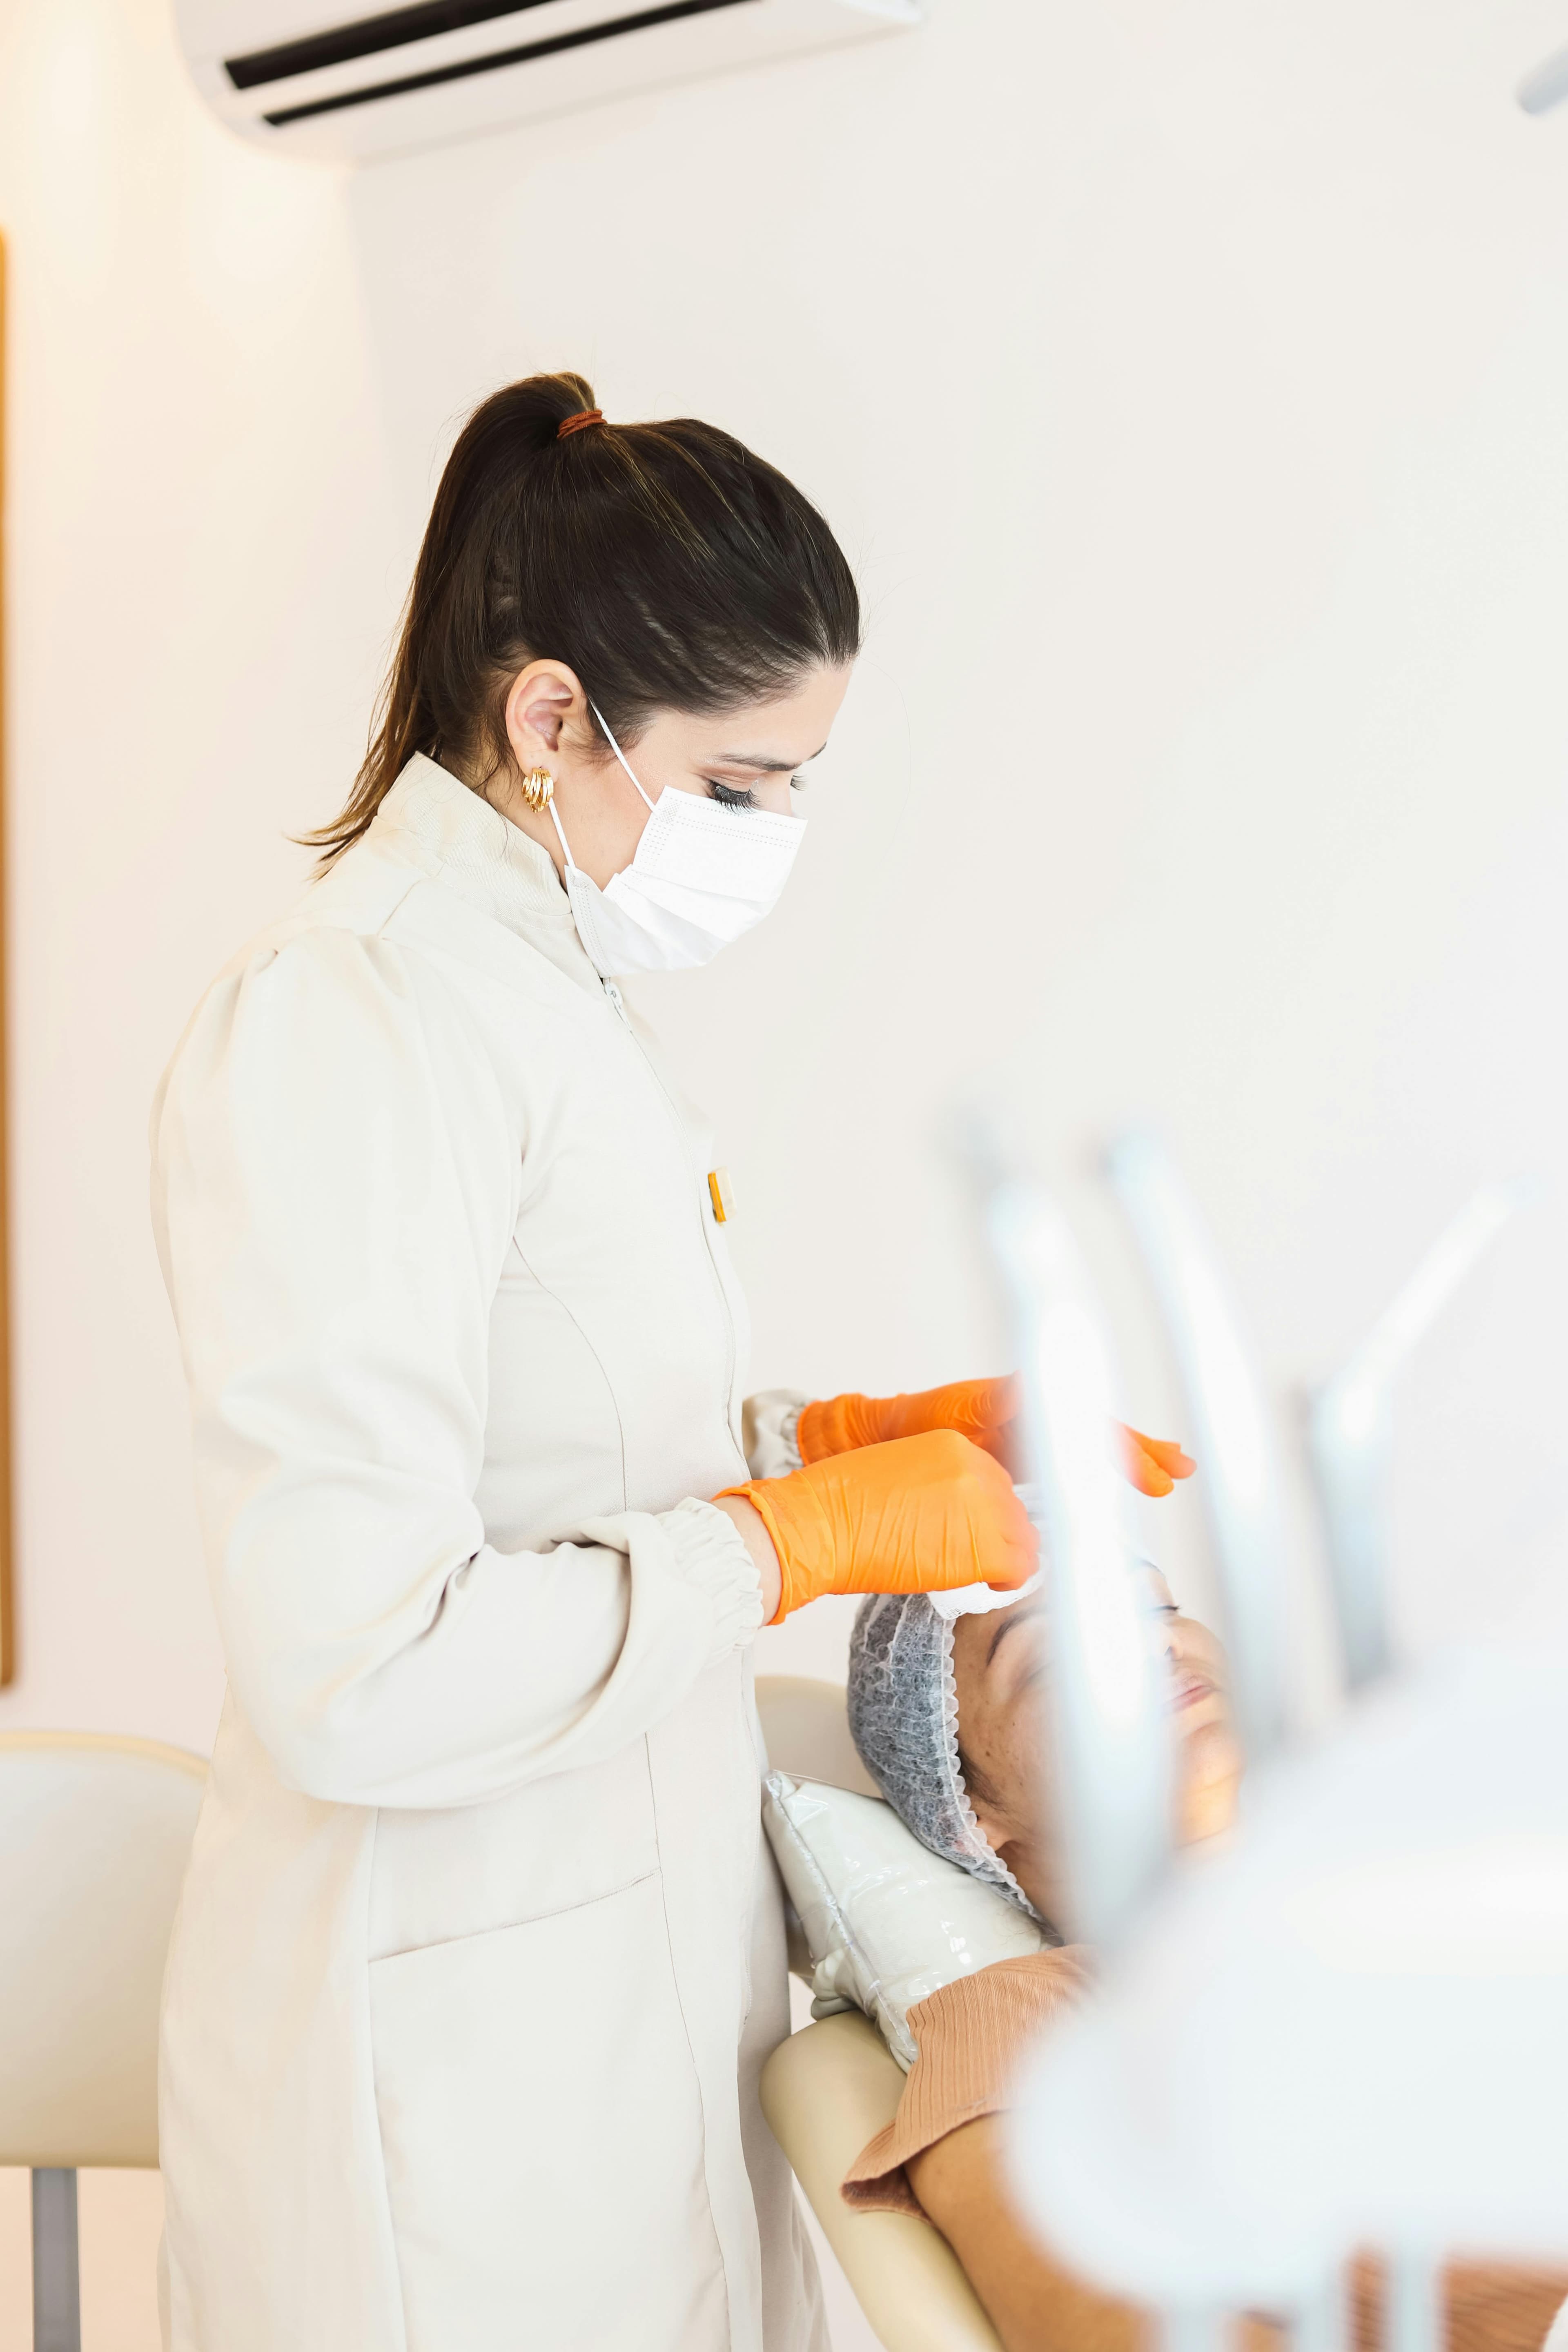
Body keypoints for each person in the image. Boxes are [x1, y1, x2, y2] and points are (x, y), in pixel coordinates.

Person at [152, 372, 1198, 2352]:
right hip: (439, 2062)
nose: (776, 830)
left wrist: (838, 1440)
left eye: (802, 777)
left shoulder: (552, 991)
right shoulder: (348, 1018)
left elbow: (557, 1429)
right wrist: (792, 1535)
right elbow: (351, 1666)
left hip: (617, 2009)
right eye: (742, 780)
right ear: (552, 716)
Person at [840, 1583, 1568, 2352]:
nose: (1154, 1645)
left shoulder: (1447, 1873)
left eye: (1159, 1609)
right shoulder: (1034, 2016)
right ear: (970, 1819)